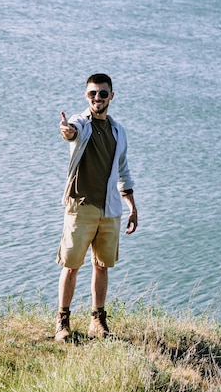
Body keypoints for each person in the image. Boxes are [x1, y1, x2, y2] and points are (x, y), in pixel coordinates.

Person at [54, 73, 137, 341]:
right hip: (81, 207)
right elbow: (71, 132)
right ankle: (62, 322)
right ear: (85, 96)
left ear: (112, 96)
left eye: (103, 93)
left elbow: (123, 168)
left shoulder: (118, 131)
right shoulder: (82, 124)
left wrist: (132, 206)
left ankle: (97, 322)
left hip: (109, 209)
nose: (97, 98)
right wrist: (67, 130)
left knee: (102, 266)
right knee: (71, 266)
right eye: (92, 93)